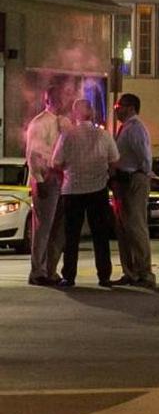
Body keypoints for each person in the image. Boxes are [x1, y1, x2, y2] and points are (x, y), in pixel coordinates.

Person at [51, 99, 119, 288]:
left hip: (72, 189)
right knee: (100, 235)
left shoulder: (67, 135)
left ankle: (69, 275)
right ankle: (104, 275)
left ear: (75, 114)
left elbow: (56, 162)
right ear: (92, 113)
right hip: (98, 189)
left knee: (71, 235)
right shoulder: (104, 135)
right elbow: (114, 161)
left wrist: (69, 171)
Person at [25, 88, 71, 286]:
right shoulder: (40, 122)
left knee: (58, 228)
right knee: (43, 227)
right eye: (57, 98)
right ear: (48, 100)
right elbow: (33, 153)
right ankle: (38, 271)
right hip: (47, 177)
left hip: (62, 178)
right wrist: (39, 179)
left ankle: (50, 269)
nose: (61, 101)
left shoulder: (63, 122)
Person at [111, 93, 155, 289]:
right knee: (124, 229)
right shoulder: (126, 128)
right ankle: (130, 272)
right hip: (123, 181)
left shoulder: (135, 128)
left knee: (136, 226)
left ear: (130, 107)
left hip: (133, 180)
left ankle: (144, 272)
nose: (116, 110)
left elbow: (144, 157)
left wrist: (140, 175)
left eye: (118, 107)